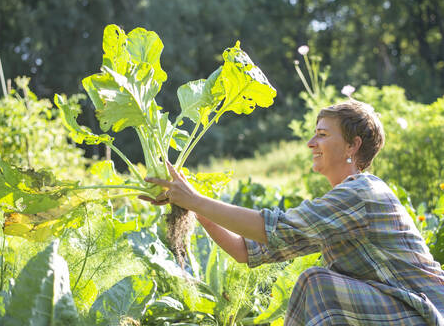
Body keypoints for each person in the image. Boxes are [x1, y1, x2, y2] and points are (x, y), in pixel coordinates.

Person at [140, 100, 444, 325]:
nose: (311, 143)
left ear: (353, 145)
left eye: (323, 135)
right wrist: (191, 206)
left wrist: (194, 199)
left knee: (317, 284)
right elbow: (245, 250)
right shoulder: (340, 203)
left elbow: (270, 228)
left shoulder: (362, 194)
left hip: (425, 313)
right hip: (401, 313)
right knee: (319, 285)